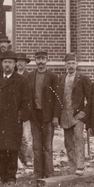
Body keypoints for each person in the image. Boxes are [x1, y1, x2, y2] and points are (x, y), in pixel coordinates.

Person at [0, 51, 28, 185]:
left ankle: (11, 177)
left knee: (12, 149)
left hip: (13, 120)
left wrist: (21, 116)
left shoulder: (22, 80)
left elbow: (26, 101)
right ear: (1, 64)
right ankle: (2, 176)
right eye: (5, 62)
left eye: (10, 62)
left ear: (14, 64)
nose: (7, 65)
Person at [27, 50, 62, 179]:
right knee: (36, 146)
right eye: (38, 59)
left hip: (48, 116)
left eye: (43, 59)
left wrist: (55, 116)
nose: (40, 62)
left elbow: (57, 98)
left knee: (47, 147)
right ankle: (38, 173)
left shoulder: (53, 77)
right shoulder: (30, 76)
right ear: (35, 60)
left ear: (47, 60)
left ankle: (49, 173)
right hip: (35, 115)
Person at [59, 52, 90, 175]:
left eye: (73, 63)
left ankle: (80, 165)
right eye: (68, 63)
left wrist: (84, 112)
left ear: (77, 64)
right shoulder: (61, 79)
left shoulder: (83, 79)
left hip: (78, 116)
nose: (71, 66)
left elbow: (91, 99)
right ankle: (72, 166)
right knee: (68, 142)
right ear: (65, 65)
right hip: (65, 115)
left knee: (78, 138)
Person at [14, 53, 33, 168]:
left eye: (22, 61)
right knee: (16, 136)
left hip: (25, 111)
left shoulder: (30, 76)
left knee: (27, 137)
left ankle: (28, 158)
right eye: (18, 61)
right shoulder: (12, 76)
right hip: (14, 112)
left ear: (26, 63)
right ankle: (18, 159)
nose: (20, 63)